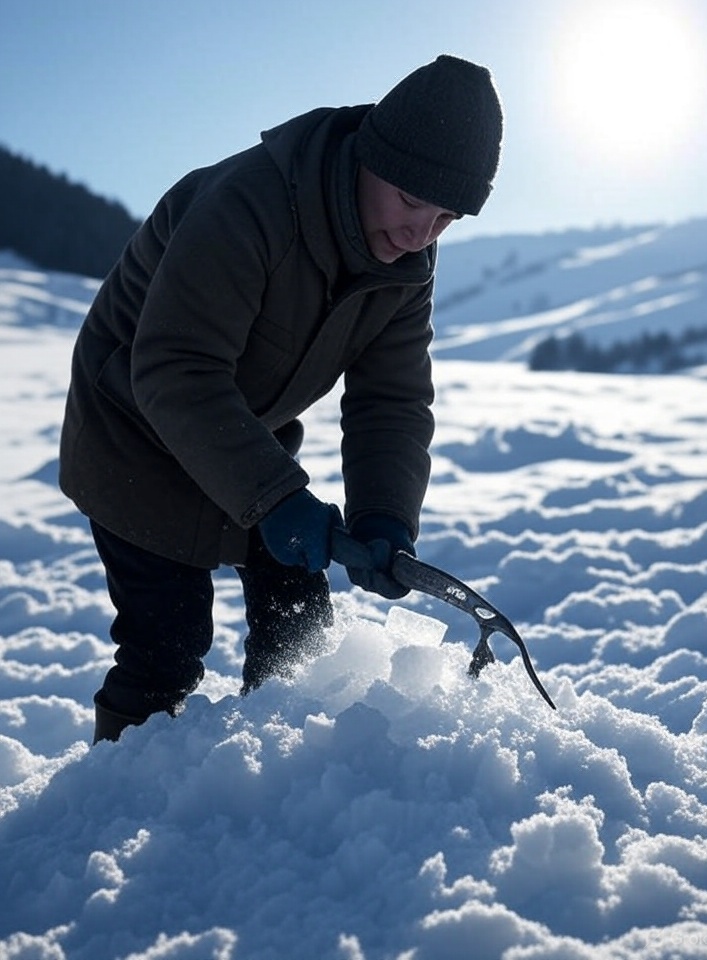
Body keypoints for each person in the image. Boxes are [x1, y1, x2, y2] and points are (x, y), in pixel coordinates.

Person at [58, 54, 504, 743]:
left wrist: (385, 515)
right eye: (411, 201)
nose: (420, 234)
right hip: (133, 433)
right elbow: (176, 369)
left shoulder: (406, 263)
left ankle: (274, 766)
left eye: (445, 218)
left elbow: (391, 400)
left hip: (241, 434)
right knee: (166, 645)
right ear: (370, 158)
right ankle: (115, 792)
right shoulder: (248, 204)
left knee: (298, 618)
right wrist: (272, 499)